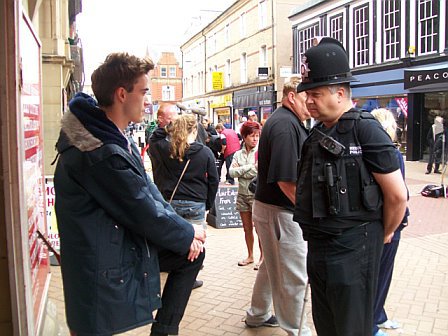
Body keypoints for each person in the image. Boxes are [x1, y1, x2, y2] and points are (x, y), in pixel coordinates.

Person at [53, 52, 205, 336]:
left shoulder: (114, 141)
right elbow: (141, 209)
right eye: (144, 91)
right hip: (99, 264)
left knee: (192, 255)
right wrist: (187, 234)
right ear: (122, 94)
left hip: (109, 252)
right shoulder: (100, 152)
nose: (148, 100)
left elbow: (150, 194)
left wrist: (188, 232)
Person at [294, 37, 408, 336]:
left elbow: (397, 196)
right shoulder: (318, 133)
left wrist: (384, 233)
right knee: (327, 324)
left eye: (315, 94)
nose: (308, 101)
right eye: (307, 94)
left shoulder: (366, 130)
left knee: (350, 328)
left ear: (340, 93)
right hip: (320, 246)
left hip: (354, 248)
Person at [244, 76, 311, 336]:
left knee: (271, 267)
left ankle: (257, 314)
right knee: (294, 275)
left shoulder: (284, 121)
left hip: (271, 208)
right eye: (308, 97)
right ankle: (297, 330)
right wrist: (307, 213)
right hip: (281, 212)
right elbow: (286, 180)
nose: (312, 103)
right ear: (292, 96)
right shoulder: (285, 125)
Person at [370, 108, 410, 336]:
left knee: (382, 273)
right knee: (380, 273)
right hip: (387, 224)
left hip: (388, 222)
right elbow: (397, 196)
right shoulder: (389, 154)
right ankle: (373, 321)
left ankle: (378, 315)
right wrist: (391, 228)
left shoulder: (384, 152)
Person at [229, 121, 262, 269]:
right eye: (252, 136)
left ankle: (263, 257)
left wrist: (241, 169)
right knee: (246, 228)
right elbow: (231, 172)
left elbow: (258, 171)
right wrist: (249, 167)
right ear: (244, 136)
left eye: (257, 136)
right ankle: (250, 255)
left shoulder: (260, 152)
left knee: (259, 228)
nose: (255, 139)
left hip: (256, 195)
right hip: (242, 194)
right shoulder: (237, 153)